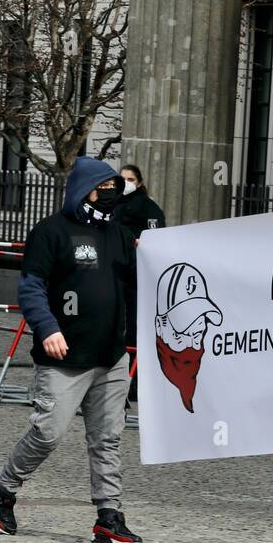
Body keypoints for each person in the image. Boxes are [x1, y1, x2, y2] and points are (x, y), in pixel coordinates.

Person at [0, 157, 142, 543]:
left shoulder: (119, 235)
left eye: (114, 187)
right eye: (103, 187)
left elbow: (141, 281)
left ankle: (109, 515)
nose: (110, 194)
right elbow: (31, 288)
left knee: (107, 438)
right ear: (83, 189)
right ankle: (3, 491)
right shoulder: (50, 232)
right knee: (48, 432)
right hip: (63, 356)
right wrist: (48, 327)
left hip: (111, 357)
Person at [114, 163, 165, 403]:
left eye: (130, 178)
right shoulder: (112, 204)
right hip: (114, 274)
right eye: (122, 178)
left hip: (136, 279)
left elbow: (155, 241)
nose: (126, 182)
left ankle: (133, 381)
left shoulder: (149, 208)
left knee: (133, 331)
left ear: (139, 181)